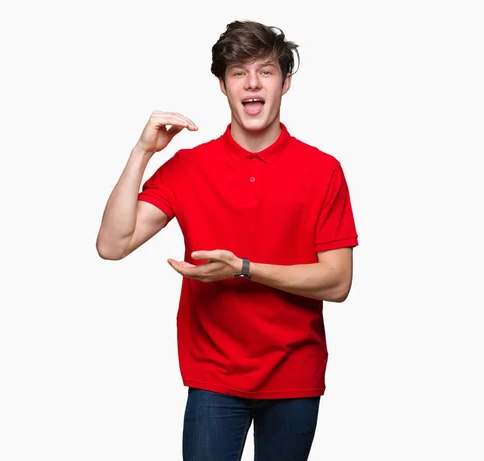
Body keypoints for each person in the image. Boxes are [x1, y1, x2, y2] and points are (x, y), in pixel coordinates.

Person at [96, 19, 358, 461]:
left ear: (285, 82)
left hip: (294, 373)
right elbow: (112, 244)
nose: (252, 83)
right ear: (222, 84)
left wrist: (243, 268)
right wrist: (142, 151)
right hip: (213, 375)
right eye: (238, 72)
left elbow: (338, 282)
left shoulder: (322, 170)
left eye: (266, 71)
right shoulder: (188, 167)